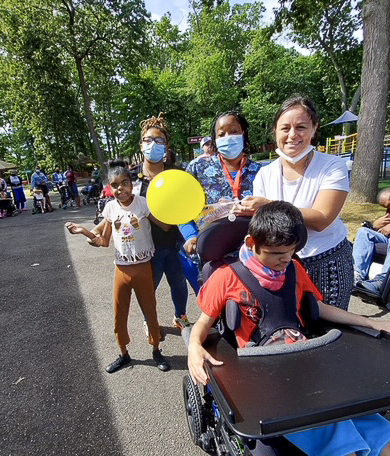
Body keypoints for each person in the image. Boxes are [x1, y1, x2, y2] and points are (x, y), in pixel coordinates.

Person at [188, 201, 390, 456]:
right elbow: (202, 323)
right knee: (341, 443)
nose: (285, 260)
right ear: (252, 242)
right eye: (276, 254)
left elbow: (318, 308)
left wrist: (371, 321)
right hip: (263, 372)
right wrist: (194, 348)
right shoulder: (225, 277)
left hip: (306, 361)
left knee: (388, 439)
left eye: (291, 253)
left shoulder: (294, 269)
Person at [239, 96, 353, 309]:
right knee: (289, 331)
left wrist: (268, 205)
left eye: (301, 127)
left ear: (314, 128)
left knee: (330, 331)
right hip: (280, 266)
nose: (292, 135)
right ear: (275, 131)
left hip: (326, 262)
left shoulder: (332, 166)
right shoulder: (265, 174)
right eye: (285, 128)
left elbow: (322, 219)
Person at [65, 164, 170, 374]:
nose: (120, 189)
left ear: (132, 184)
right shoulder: (110, 208)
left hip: (143, 268)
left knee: (150, 312)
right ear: (109, 188)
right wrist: (84, 232)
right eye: (114, 185)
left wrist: (171, 207)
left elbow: (165, 226)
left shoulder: (142, 204)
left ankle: (156, 350)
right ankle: (123, 354)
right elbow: (102, 241)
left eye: (124, 183)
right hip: (121, 270)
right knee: (118, 315)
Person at [134, 113, 190, 330]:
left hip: (176, 244)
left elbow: (188, 205)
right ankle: (149, 320)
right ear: (141, 145)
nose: (153, 145)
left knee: (178, 284)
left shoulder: (177, 174)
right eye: (148, 140)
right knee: (149, 287)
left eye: (159, 141)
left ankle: (180, 316)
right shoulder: (132, 179)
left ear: (166, 147)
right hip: (147, 248)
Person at [179, 111, 262, 255]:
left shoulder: (260, 172)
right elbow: (182, 207)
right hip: (212, 250)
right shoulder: (197, 168)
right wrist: (190, 236)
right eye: (221, 134)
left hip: (254, 252)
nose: (228, 137)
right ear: (215, 139)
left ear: (244, 133)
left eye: (234, 131)